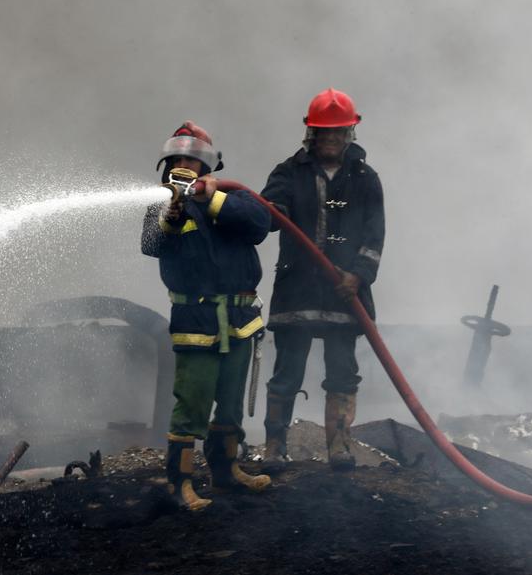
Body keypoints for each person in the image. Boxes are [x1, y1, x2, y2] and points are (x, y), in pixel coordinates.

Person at [140, 121, 273, 511]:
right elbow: (151, 244)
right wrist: (173, 212)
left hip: (238, 319)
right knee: (192, 405)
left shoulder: (234, 198)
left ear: (208, 167)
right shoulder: (159, 206)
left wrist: (212, 199)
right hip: (197, 322)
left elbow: (259, 225)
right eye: (179, 160)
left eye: (194, 160)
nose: (186, 165)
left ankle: (227, 472)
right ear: (167, 165)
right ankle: (179, 483)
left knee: (230, 403)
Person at [260, 89, 385, 472]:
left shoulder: (365, 178)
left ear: (350, 133)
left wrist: (358, 276)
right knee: (287, 371)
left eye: (337, 134)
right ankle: (275, 448)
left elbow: (374, 234)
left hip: (343, 295)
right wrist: (273, 209)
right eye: (323, 134)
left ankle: (340, 447)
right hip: (298, 290)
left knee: (343, 372)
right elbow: (268, 212)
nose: (330, 140)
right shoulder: (288, 172)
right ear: (310, 134)